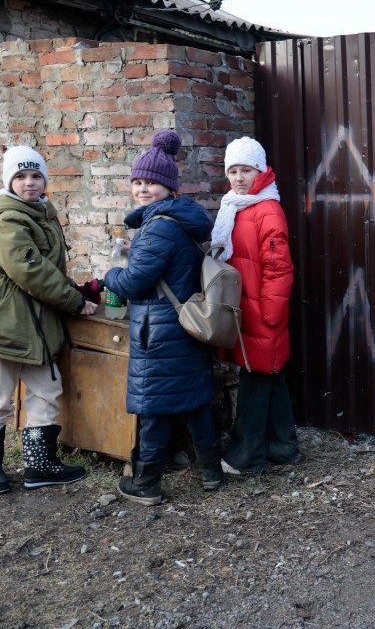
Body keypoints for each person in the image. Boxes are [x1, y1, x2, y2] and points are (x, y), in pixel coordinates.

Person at [0, 146, 97, 494]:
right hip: (3, 318)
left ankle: (40, 465)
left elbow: (47, 268)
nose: (29, 183)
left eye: (35, 175)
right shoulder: (8, 217)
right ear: (9, 181)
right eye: (20, 176)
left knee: (46, 391)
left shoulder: (41, 212)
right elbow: (28, 269)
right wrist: (72, 302)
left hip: (38, 318)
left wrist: (77, 292)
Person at [103, 130, 224, 505]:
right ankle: (211, 473)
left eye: (151, 183)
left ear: (170, 189)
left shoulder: (157, 228)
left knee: (154, 408)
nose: (142, 189)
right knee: (194, 403)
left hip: (157, 332)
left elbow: (136, 283)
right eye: (137, 181)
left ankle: (146, 485)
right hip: (184, 327)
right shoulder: (180, 222)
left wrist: (109, 275)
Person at [210, 136, 300, 475]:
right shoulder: (234, 205)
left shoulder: (267, 210)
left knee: (254, 380)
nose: (238, 178)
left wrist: (270, 315)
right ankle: (283, 448)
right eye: (232, 171)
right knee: (270, 377)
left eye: (245, 170)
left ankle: (245, 457)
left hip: (262, 312)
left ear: (260, 171)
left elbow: (279, 268)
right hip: (243, 309)